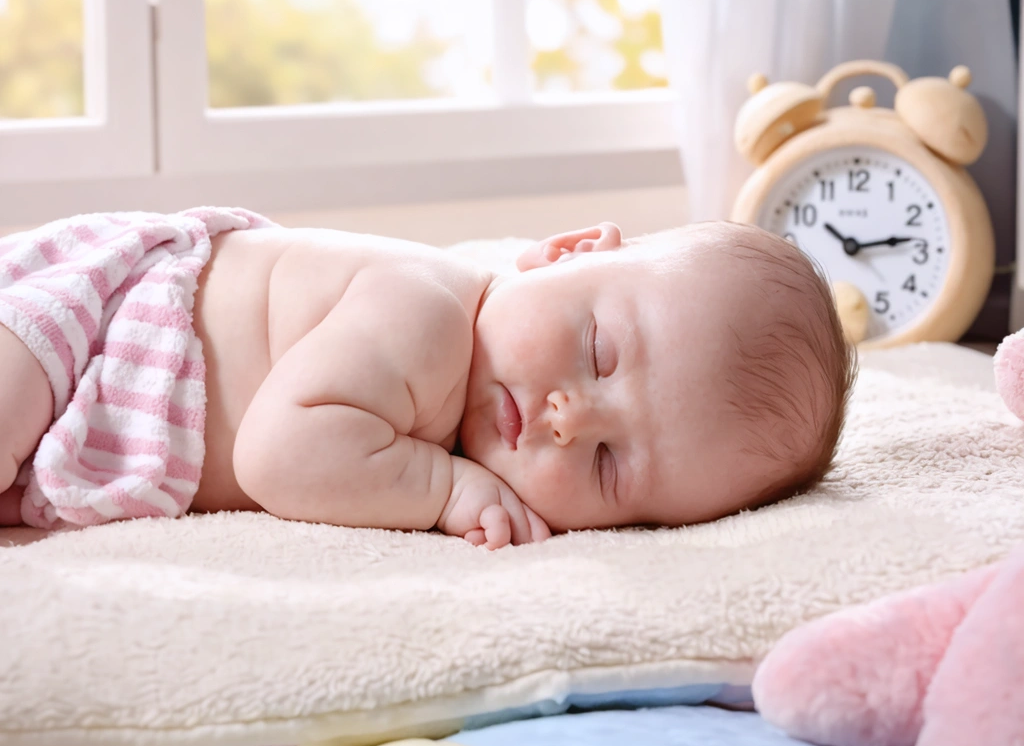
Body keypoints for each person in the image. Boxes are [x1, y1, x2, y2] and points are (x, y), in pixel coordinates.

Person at [0, 208, 855, 547]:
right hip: (88, 322)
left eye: (608, 465)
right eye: (598, 352)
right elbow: (276, 453)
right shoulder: (430, 316)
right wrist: (443, 490)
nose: (569, 418)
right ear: (566, 251)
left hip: (102, 411)